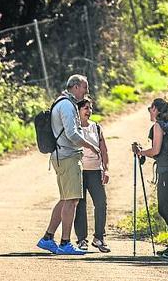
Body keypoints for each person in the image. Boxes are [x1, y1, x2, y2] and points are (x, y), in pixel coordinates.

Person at [36, 74, 101, 255]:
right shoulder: (66, 105)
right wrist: (91, 146)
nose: (86, 91)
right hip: (67, 157)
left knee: (66, 199)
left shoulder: (65, 102)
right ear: (75, 87)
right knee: (72, 200)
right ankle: (65, 243)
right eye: (84, 88)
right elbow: (72, 134)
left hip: (62, 156)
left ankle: (48, 238)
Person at [132, 98, 168, 259]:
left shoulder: (159, 126)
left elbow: (156, 151)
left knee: (163, 208)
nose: (149, 111)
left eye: (150, 108)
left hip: (166, 172)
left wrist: (140, 152)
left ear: (155, 109)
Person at [73, 97, 111, 253]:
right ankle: (82, 239)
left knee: (101, 203)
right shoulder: (73, 128)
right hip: (79, 171)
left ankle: (99, 238)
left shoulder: (96, 127)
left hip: (95, 171)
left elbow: (104, 150)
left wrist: (106, 169)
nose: (88, 111)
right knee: (80, 205)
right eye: (85, 108)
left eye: (90, 108)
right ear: (78, 111)